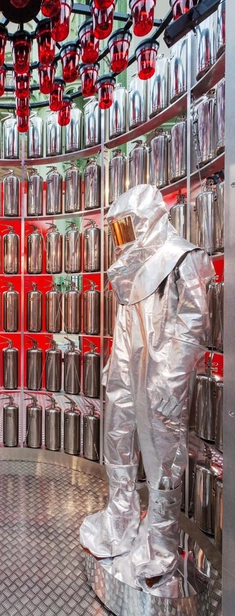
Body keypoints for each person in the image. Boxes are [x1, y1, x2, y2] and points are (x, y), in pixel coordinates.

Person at [80, 185, 215, 594]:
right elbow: (125, 326)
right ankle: (119, 522)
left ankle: (159, 547)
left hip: (162, 376)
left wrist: (171, 380)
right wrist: (115, 367)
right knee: (117, 440)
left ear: (148, 219)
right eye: (117, 229)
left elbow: (194, 325)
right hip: (128, 371)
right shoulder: (130, 266)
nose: (121, 237)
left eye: (126, 227)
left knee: (162, 458)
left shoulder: (183, 256)